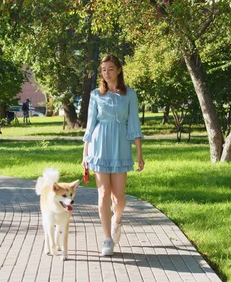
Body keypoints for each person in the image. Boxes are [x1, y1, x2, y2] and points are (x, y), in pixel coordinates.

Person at [81, 54, 145, 256]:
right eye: (103, 69)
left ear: (118, 70)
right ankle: (107, 239)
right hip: (99, 148)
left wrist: (139, 154)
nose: (106, 73)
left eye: (110, 69)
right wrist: (85, 153)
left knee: (119, 198)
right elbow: (90, 126)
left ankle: (117, 221)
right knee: (103, 195)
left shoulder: (130, 95)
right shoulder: (95, 95)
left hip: (120, 147)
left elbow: (134, 124)